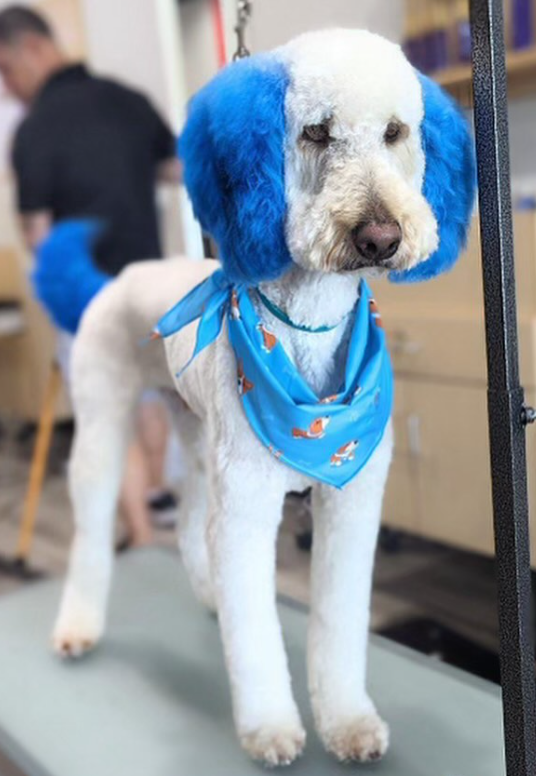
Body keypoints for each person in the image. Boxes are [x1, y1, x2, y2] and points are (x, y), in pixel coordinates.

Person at [0, 5, 182, 545]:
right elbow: (178, 171)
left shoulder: (34, 131)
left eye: (6, 70)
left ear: (33, 48)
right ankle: (157, 502)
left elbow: (37, 235)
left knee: (110, 418)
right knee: (149, 397)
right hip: (149, 291)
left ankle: (143, 538)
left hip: (87, 303)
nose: (8, 88)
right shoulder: (128, 101)